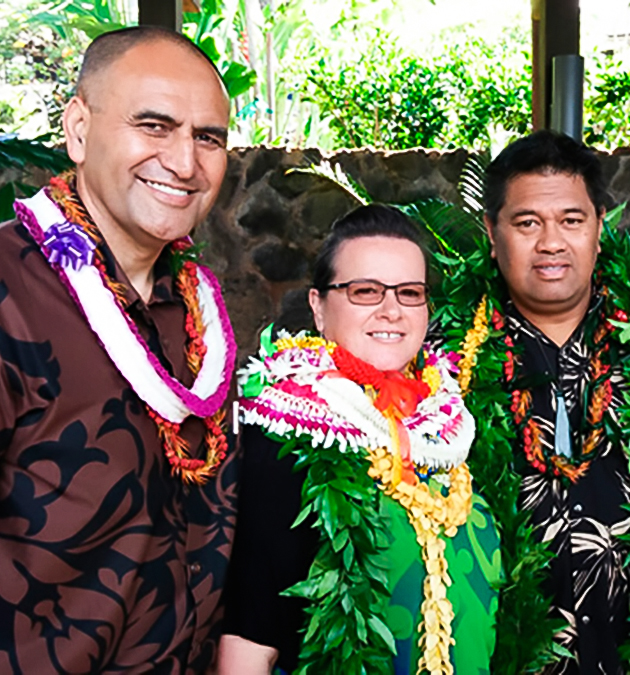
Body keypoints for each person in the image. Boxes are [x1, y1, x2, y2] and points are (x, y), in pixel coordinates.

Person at [0, 27, 237, 673]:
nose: (185, 163)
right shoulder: (10, 289)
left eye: (208, 138)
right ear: (79, 129)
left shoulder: (197, 309)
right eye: (154, 126)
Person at [433, 130, 630, 674]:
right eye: (527, 223)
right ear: (491, 234)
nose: (551, 242)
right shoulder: (442, 365)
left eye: (571, 221)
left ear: (599, 228)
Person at [218, 204, 500, 675]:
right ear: (317, 306)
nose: (391, 310)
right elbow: (249, 641)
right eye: (365, 291)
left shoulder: (451, 427)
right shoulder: (288, 433)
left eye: (410, 292)